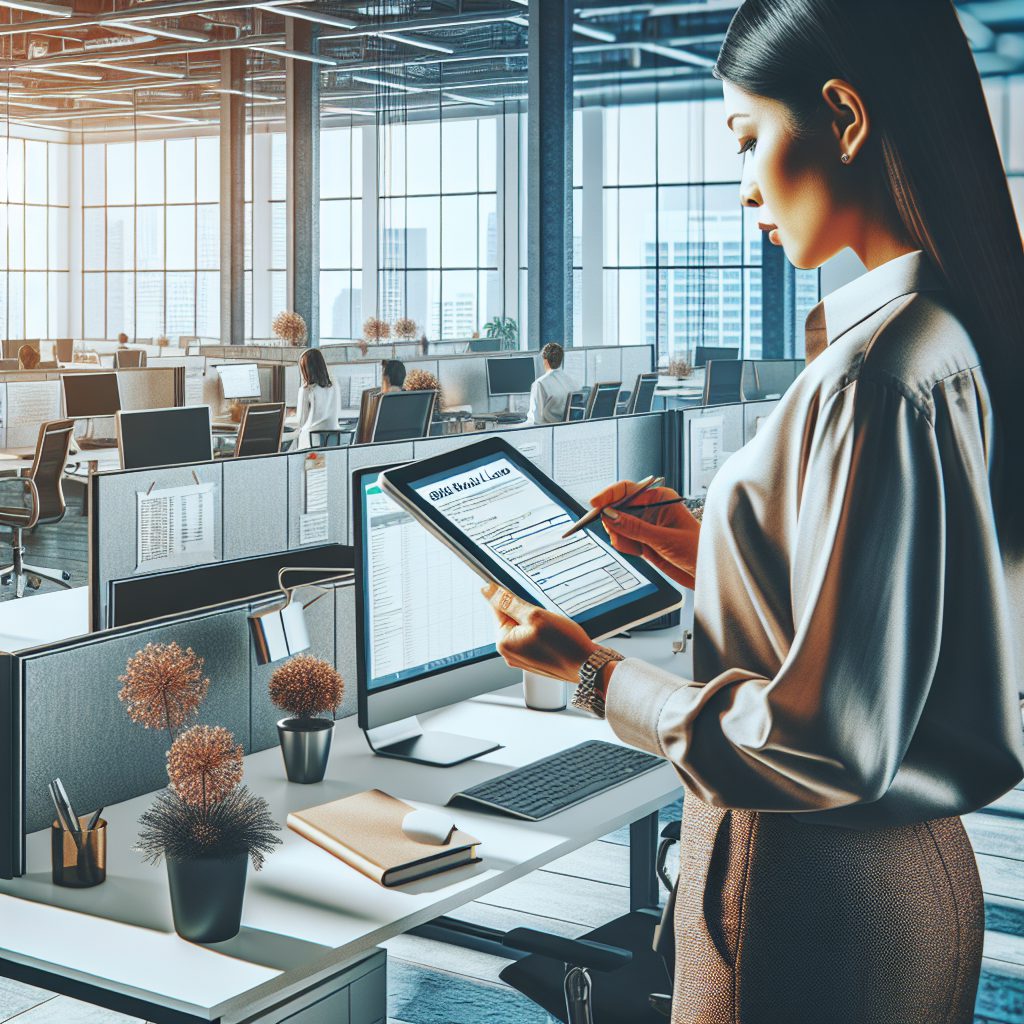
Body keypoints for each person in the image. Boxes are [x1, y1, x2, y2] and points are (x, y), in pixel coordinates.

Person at [481, 2, 1024, 1021]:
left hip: (810, 888)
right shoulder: (950, 334)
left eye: (747, 138)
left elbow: (826, 742)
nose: (742, 187)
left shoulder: (878, 376)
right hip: (914, 875)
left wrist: (590, 671)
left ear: (844, 117)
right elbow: (908, 616)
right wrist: (722, 553)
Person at [295, 348, 341, 449]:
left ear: (305, 370)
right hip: (332, 441)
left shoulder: (306, 390)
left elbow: (301, 422)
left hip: (311, 443)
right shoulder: (334, 385)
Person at [525, 342, 576, 424]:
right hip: (563, 430)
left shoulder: (539, 384)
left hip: (545, 431)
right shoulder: (572, 382)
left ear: (545, 361)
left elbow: (535, 420)